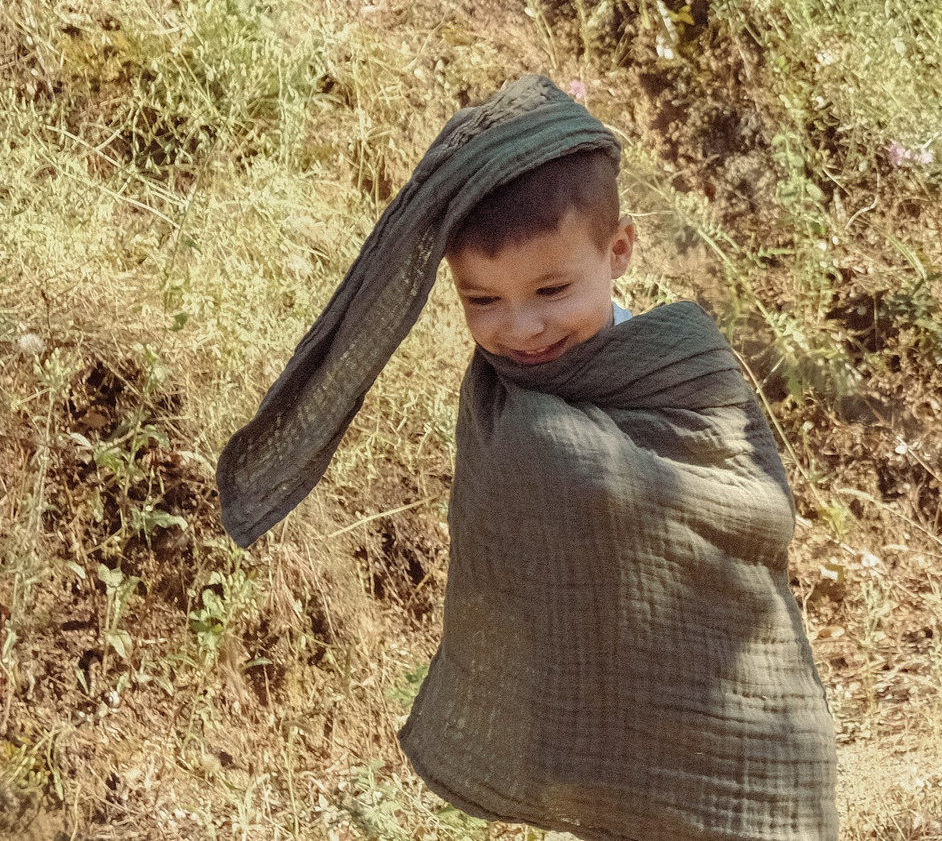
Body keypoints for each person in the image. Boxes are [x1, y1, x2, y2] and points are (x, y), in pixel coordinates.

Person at [217, 75, 837, 841]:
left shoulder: (678, 359)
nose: (522, 327)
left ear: (619, 250)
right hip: (591, 723)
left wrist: (589, 465)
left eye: (551, 287)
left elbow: (760, 511)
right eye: (482, 300)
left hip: (734, 721)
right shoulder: (499, 396)